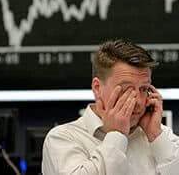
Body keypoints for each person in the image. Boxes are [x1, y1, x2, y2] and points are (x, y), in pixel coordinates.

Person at [42, 39, 179, 175]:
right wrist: (116, 136)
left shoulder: (162, 136)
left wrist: (156, 135)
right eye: (126, 89)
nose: (138, 101)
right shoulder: (62, 138)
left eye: (144, 89)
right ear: (97, 88)